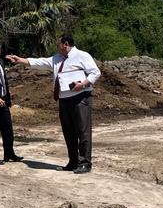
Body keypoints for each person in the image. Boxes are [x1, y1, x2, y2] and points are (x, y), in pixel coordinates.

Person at [7, 34, 100, 173]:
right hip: (64, 100)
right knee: (69, 132)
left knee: (83, 131)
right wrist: (21, 60)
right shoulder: (57, 58)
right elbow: (40, 62)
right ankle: (73, 161)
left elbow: (95, 72)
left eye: (58, 45)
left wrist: (83, 84)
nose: (57, 48)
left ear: (65, 44)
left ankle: (85, 162)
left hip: (80, 98)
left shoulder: (82, 55)